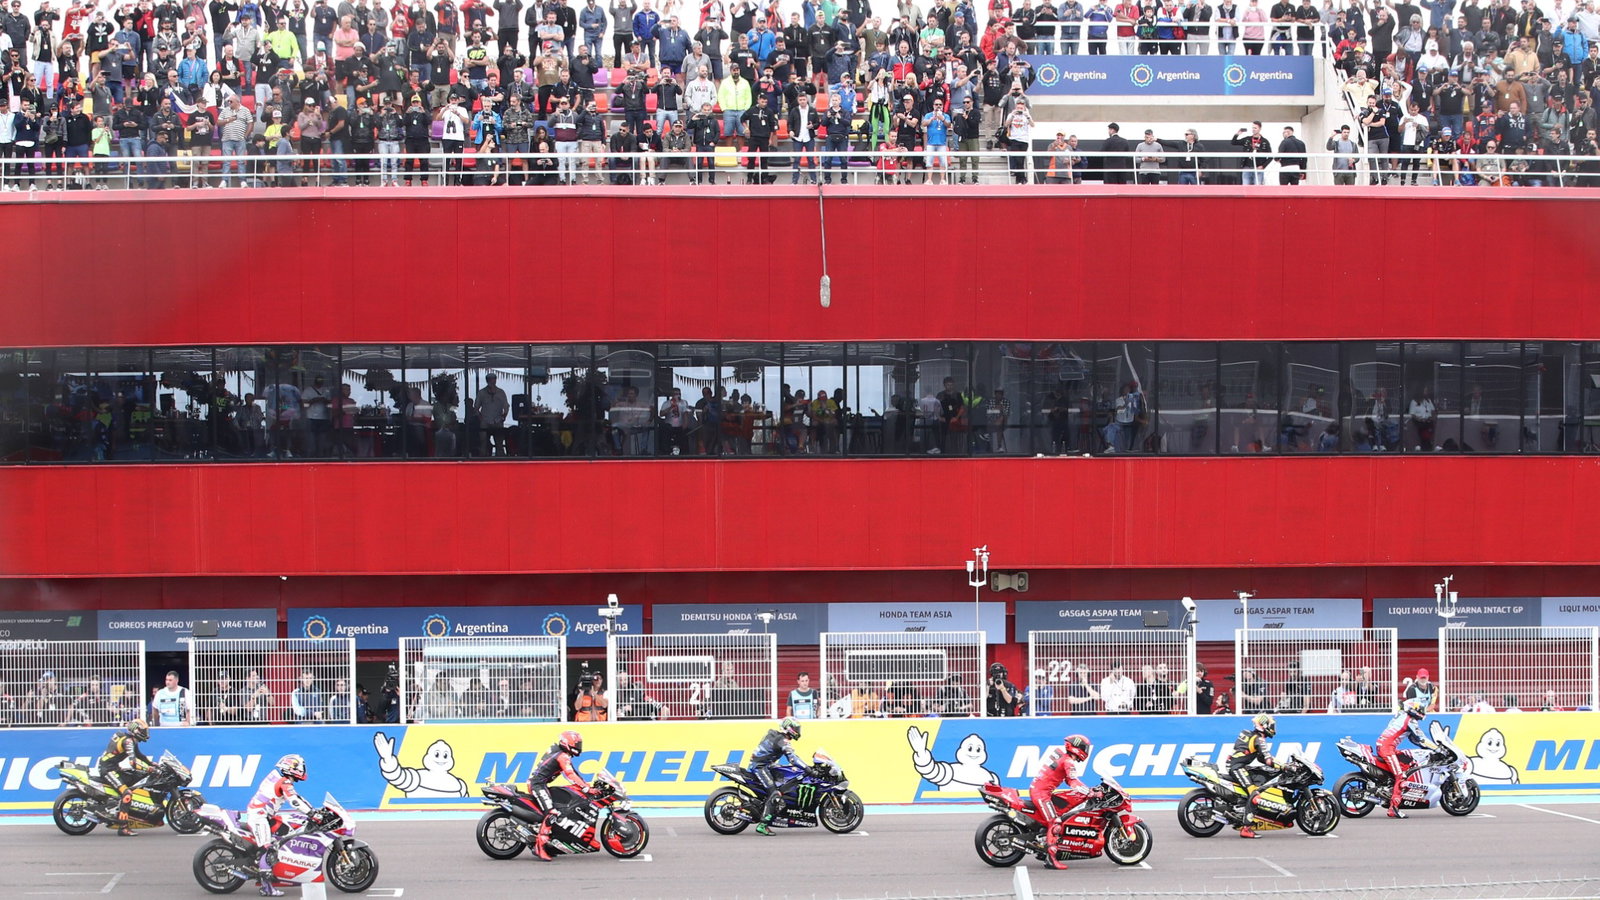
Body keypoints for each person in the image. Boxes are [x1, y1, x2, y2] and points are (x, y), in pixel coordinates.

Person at [247, 754, 312, 897]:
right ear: (292, 768)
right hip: (259, 816)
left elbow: (297, 797)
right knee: (268, 848)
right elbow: (294, 801)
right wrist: (312, 813)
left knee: (284, 835)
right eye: (300, 767)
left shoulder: (280, 778)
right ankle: (266, 888)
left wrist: (313, 810)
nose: (302, 769)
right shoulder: (284, 782)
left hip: (265, 815)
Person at [1029, 734, 1093, 869]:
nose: (1085, 751)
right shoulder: (1068, 762)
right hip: (1041, 794)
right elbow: (1073, 782)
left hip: (1040, 791)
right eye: (1084, 748)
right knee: (1054, 822)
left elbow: (1068, 780)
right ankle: (1051, 860)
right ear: (1077, 747)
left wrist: (1087, 789)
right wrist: (1090, 792)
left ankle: (1043, 845)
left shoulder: (1063, 757)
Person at [528, 730, 590, 860]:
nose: (578, 747)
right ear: (568, 743)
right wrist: (585, 788)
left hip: (541, 784)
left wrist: (587, 786)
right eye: (577, 744)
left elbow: (574, 772)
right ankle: (540, 847)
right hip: (537, 785)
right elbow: (570, 775)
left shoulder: (560, 752)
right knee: (552, 813)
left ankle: (551, 844)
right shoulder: (562, 756)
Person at [1375, 698, 1437, 818]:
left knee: (1409, 761)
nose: (1422, 712)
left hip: (1383, 746)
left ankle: (1390, 788)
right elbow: (1422, 739)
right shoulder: (1410, 721)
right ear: (1413, 709)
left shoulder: (1401, 715)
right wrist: (1437, 748)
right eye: (1420, 709)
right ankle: (1393, 808)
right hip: (1387, 748)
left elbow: (1414, 739)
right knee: (1401, 776)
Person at [1226, 713, 1281, 838]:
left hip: (1236, 765)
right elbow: (1268, 760)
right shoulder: (1259, 739)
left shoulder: (1248, 734)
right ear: (1264, 725)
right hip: (1237, 767)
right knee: (1255, 794)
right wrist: (1284, 766)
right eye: (1271, 726)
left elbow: (1261, 758)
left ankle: (1242, 808)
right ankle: (1246, 828)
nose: (1273, 729)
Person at [96, 718, 152, 837]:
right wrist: (149, 769)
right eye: (144, 731)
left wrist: (152, 764)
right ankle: (123, 827)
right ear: (136, 730)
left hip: (114, 767)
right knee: (127, 794)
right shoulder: (128, 742)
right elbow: (133, 762)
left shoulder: (130, 739)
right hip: (108, 770)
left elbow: (139, 755)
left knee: (135, 777)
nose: (146, 734)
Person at [750, 716, 805, 835]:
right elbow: (793, 758)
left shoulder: (777, 736)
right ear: (789, 728)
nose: (798, 731)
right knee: (775, 794)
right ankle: (763, 825)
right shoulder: (782, 740)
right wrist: (807, 769)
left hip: (766, 765)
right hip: (760, 767)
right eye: (796, 728)